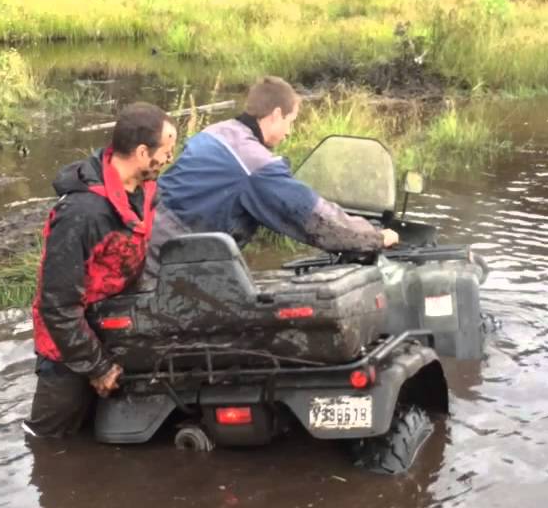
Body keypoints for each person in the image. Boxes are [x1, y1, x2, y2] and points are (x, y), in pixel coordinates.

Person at [145, 76, 397, 281]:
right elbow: (312, 216)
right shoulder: (254, 164)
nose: (289, 131)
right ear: (276, 114)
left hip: (146, 236)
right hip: (169, 261)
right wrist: (374, 236)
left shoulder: (215, 132)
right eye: (291, 121)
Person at [25, 102, 177, 438]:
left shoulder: (145, 190)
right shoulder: (82, 214)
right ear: (141, 152)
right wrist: (98, 366)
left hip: (117, 328)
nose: (169, 159)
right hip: (69, 347)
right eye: (166, 151)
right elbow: (57, 305)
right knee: (50, 443)